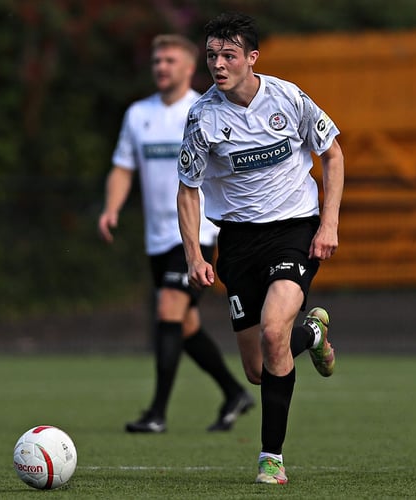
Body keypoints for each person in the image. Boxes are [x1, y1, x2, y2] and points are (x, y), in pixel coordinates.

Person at [176, 13, 343, 484]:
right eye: (211, 55)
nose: (218, 63)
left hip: (294, 229)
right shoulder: (202, 116)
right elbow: (187, 189)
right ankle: (312, 334)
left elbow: (331, 154)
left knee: (273, 335)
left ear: (252, 58)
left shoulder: (288, 98)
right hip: (237, 242)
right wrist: (194, 255)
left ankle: (271, 457)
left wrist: (327, 223)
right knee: (257, 369)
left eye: (229, 55)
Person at [99, 34, 254, 434]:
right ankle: (234, 392)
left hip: (195, 235)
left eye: (170, 60)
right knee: (183, 326)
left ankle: (156, 414)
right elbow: (122, 166)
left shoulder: (204, 110)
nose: (161, 67)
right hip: (156, 236)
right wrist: (112, 208)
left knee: (168, 310)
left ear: (189, 68)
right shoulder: (138, 115)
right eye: (157, 61)